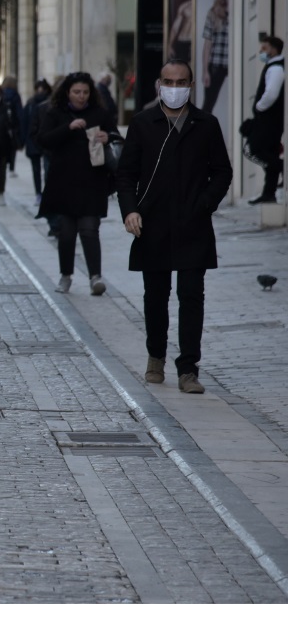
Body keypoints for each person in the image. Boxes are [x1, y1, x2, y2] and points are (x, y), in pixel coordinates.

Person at [116, 59, 232, 394]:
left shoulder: (206, 124)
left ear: (190, 85)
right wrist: (130, 211)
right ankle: (156, 355)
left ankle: (189, 368)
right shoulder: (142, 123)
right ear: (159, 84)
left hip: (193, 223)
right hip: (152, 225)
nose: (175, 87)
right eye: (169, 81)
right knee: (156, 296)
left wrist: (204, 202)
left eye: (181, 82)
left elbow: (222, 171)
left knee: (191, 295)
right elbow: (125, 174)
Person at [37, 72, 116, 295]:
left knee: (90, 229)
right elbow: (43, 140)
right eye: (76, 92)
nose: (81, 97)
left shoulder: (99, 113)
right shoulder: (56, 113)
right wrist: (68, 128)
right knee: (67, 232)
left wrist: (107, 137)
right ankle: (66, 276)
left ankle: (95, 277)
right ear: (67, 93)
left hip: (93, 181)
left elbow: (117, 137)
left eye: (85, 92)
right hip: (64, 182)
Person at [248, 36, 285, 205]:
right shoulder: (272, 66)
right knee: (269, 153)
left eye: (265, 47)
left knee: (256, 148)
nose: (262, 51)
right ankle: (268, 193)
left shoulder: (276, 68)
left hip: (270, 120)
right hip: (268, 120)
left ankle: (281, 166)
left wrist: (259, 107)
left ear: (274, 49)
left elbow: (271, 94)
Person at [201, 0, 230, 115]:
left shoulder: (240, 9)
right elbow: (207, 44)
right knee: (209, 104)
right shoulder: (214, 12)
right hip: (217, 62)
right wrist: (205, 70)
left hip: (234, 63)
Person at [20, 79, 52, 208]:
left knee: (45, 170)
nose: (40, 92)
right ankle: (40, 193)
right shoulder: (31, 104)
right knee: (39, 169)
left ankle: (44, 193)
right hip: (35, 140)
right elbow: (25, 122)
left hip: (44, 141)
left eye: (42, 90)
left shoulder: (46, 104)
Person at [0, 75, 24, 176]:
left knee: (3, 147)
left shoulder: (0, 94)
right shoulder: (15, 95)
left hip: (2, 125)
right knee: (12, 147)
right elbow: (19, 112)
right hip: (13, 126)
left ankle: (4, 165)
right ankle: (11, 168)